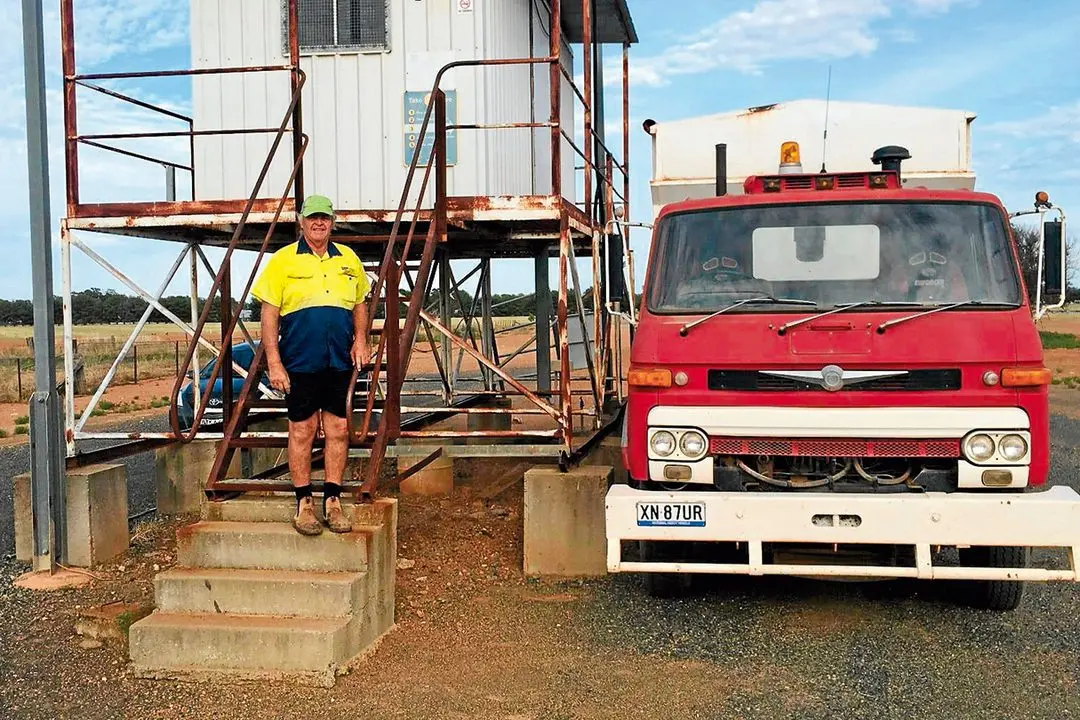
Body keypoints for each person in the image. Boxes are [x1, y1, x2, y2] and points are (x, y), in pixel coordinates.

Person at [251, 195, 371, 536]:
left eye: (325, 218)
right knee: (302, 431)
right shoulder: (282, 261)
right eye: (313, 218)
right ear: (301, 222)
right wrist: (274, 362)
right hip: (300, 362)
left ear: (332, 222)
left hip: (338, 361)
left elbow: (360, 303)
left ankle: (332, 501)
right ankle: (304, 504)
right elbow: (269, 314)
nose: (319, 223)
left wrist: (361, 340)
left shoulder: (347, 258)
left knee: (338, 430)